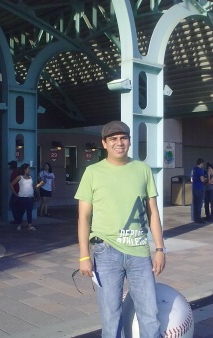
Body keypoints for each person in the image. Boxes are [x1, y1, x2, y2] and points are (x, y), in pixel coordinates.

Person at [75, 121, 166, 338]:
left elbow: (152, 212)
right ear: (104, 144)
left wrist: (160, 249)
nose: (119, 143)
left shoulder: (142, 169)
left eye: (123, 138)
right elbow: (83, 218)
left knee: (150, 314)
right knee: (110, 317)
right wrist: (83, 256)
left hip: (139, 252)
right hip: (106, 252)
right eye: (113, 139)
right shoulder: (92, 172)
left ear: (129, 141)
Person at [10, 163, 43, 231]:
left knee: (29, 212)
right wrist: (15, 193)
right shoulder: (20, 177)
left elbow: (32, 187)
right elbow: (12, 184)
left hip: (30, 197)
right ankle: (19, 225)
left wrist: (39, 185)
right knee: (21, 212)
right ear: (25, 169)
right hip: (22, 197)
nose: (29, 169)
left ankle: (30, 226)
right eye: (28, 168)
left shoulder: (30, 177)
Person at [191, 158, 206, 224]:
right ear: (201, 163)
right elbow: (202, 180)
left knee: (195, 203)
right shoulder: (200, 170)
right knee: (199, 204)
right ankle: (198, 218)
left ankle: (195, 217)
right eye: (203, 164)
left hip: (194, 188)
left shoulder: (193, 170)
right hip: (199, 188)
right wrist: (206, 179)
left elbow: (191, 179)